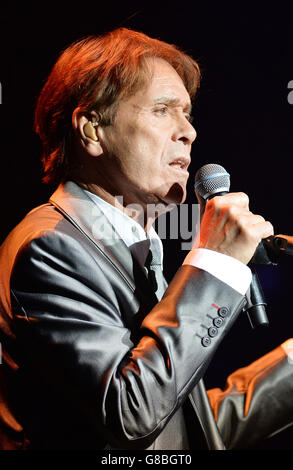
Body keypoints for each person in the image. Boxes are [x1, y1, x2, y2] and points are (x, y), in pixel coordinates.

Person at [0, 27, 292, 451]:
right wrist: (213, 264)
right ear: (92, 130)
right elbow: (131, 413)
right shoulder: (51, 248)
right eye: (162, 110)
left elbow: (179, 435)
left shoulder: (130, 249)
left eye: (187, 114)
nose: (187, 132)